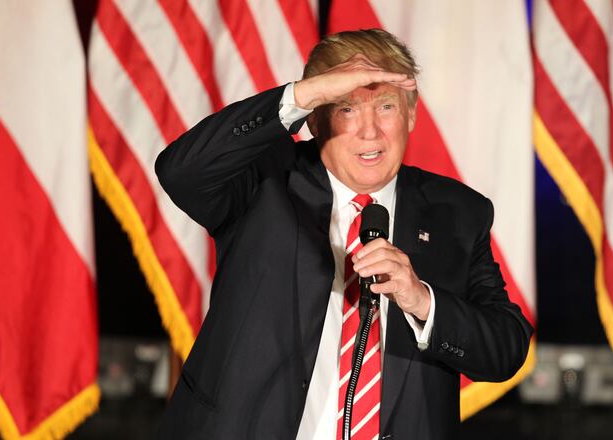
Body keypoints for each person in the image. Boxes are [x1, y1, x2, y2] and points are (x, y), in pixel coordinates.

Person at [156, 28, 533, 440]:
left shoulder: (457, 213)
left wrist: (422, 300)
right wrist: (302, 95)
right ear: (315, 120)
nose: (369, 131)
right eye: (347, 109)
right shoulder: (264, 183)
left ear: (411, 114)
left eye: (386, 106)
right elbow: (180, 171)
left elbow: (505, 349)